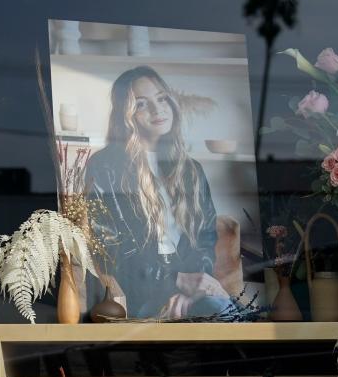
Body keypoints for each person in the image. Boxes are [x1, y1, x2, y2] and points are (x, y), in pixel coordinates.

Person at [86, 65, 232, 319]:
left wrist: (192, 288)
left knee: (223, 310)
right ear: (126, 114)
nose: (157, 109)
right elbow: (110, 250)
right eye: (142, 104)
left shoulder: (191, 170)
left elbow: (205, 239)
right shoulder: (105, 166)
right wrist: (175, 281)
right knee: (226, 314)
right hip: (139, 291)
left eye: (161, 98)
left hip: (189, 288)